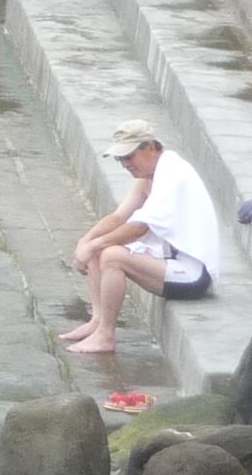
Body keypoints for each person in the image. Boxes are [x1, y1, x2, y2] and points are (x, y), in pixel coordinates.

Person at [62, 119, 219, 354]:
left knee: (111, 255)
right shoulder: (150, 175)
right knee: (99, 247)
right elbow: (119, 217)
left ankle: (105, 336)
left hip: (193, 274)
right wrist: (86, 240)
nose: (125, 164)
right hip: (168, 261)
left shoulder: (172, 173)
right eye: (120, 159)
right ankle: (97, 321)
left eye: (129, 156)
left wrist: (94, 244)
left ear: (151, 147)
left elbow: (139, 228)